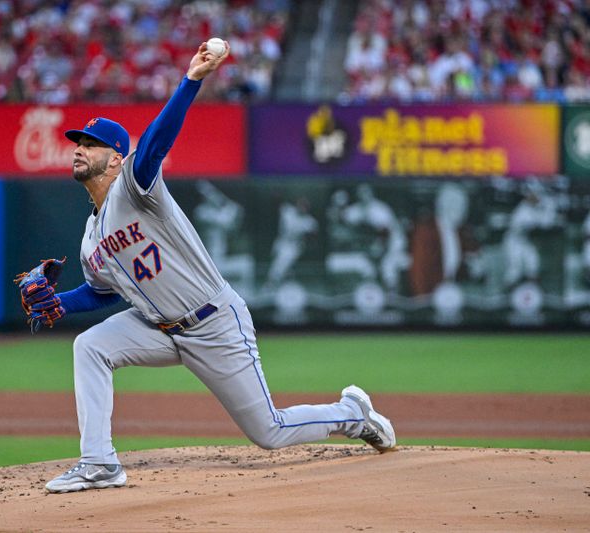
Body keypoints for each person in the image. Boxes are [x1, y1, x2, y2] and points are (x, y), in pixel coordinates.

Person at [22, 40, 396, 494]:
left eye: (92, 144)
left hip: (214, 322)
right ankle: (99, 463)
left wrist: (191, 80)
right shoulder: (90, 237)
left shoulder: (135, 188)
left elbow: (157, 143)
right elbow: (103, 290)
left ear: (116, 158)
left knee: (268, 431)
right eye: (79, 142)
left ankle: (353, 415)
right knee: (90, 347)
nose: (80, 148)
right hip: (157, 327)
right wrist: (59, 304)